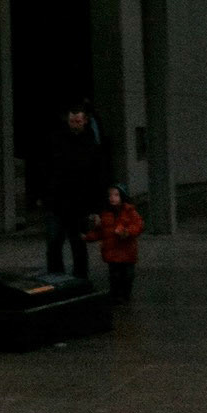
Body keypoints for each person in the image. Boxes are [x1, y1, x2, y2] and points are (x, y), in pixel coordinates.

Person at [43, 103, 106, 280]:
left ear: (84, 121)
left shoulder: (90, 146)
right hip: (62, 201)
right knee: (63, 243)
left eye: (77, 121)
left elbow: (98, 179)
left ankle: (66, 277)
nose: (75, 124)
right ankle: (64, 277)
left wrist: (96, 208)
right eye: (73, 121)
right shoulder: (83, 144)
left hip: (75, 203)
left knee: (72, 243)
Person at [89, 184, 144, 301]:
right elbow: (100, 232)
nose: (112, 198)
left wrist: (127, 232)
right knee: (115, 276)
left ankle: (125, 294)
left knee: (127, 276)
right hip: (112, 253)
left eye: (116, 195)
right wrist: (88, 237)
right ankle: (116, 295)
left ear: (122, 196)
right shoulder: (105, 214)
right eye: (110, 195)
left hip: (127, 252)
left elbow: (138, 225)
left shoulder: (129, 211)